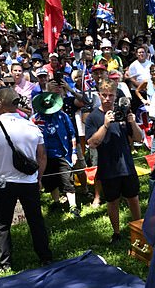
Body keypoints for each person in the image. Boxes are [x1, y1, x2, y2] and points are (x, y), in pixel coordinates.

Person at [0, 87, 53, 272]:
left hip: (3, 184)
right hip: (29, 181)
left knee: (2, 225)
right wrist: (39, 177)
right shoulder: (32, 126)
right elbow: (42, 156)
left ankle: (6, 264)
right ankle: (45, 258)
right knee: (36, 222)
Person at [85, 80, 143, 244]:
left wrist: (132, 122)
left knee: (133, 198)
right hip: (108, 167)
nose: (108, 98)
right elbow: (92, 143)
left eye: (111, 95)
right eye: (104, 95)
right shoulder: (93, 117)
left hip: (127, 165)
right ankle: (116, 233)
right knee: (112, 201)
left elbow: (139, 139)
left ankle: (138, 228)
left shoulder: (123, 113)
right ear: (99, 95)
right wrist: (105, 125)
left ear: (116, 96)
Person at [31, 89, 79, 217]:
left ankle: (73, 206)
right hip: (44, 156)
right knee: (50, 180)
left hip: (63, 153)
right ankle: (56, 202)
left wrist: (74, 152)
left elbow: (72, 134)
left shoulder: (62, 116)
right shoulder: (34, 120)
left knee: (67, 179)